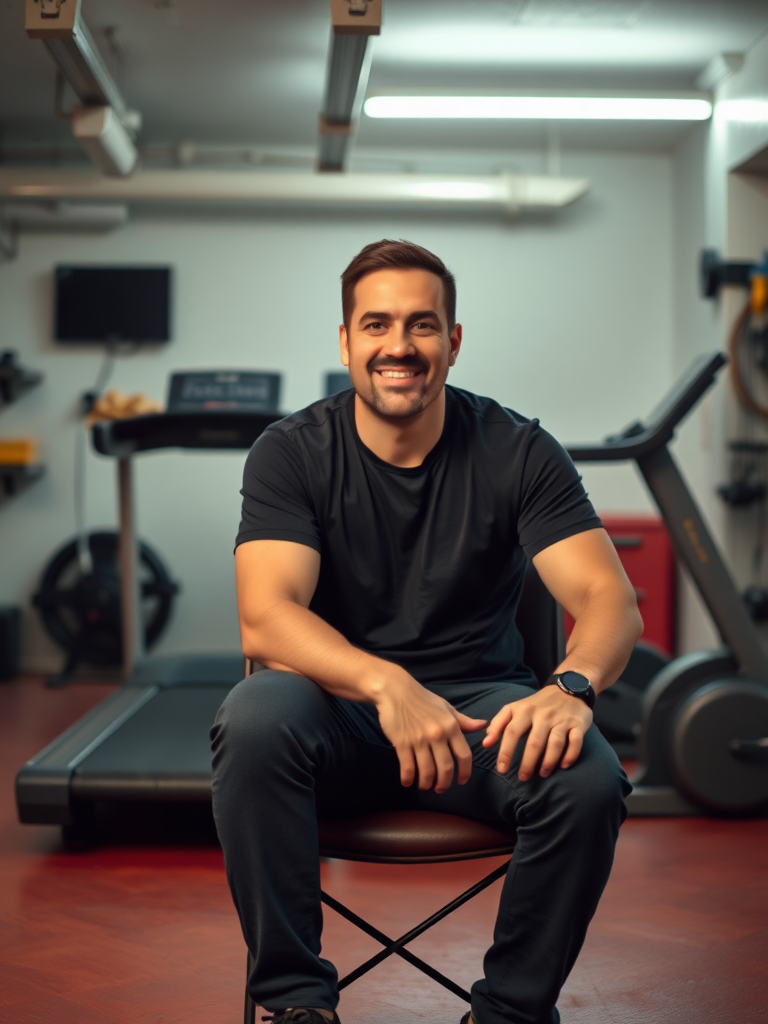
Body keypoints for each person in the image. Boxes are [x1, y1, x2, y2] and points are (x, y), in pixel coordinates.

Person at [211, 240, 641, 1024]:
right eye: (377, 324)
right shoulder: (291, 452)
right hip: (335, 714)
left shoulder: (519, 449)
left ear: (453, 339)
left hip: (480, 718)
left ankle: (509, 1011)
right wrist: (386, 684)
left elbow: (610, 600)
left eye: (422, 324)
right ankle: (296, 1006)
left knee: (588, 777)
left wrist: (570, 687)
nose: (399, 346)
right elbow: (266, 615)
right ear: (346, 341)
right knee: (255, 718)